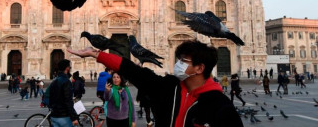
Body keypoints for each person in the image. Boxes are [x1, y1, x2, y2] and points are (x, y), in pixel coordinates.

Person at [68, 40, 243, 127]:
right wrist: (96, 54)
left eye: (183, 60)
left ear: (199, 68)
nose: (178, 63)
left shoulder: (220, 107)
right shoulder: (168, 88)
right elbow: (135, 72)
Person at [48, 59, 79, 127]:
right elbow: (68, 101)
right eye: (70, 67)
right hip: (64, 117)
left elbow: (50, 98)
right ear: (67, 68)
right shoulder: (66, 82)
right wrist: (73, 118)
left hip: (54, 116)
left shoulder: (54, 81)